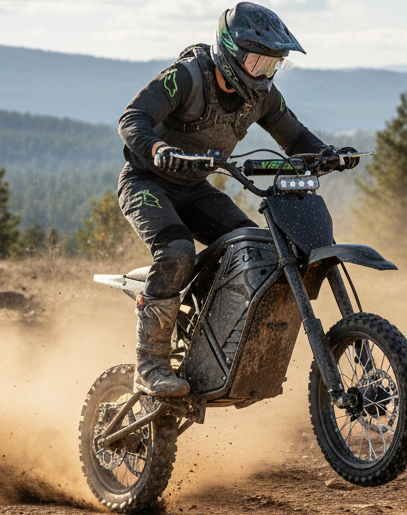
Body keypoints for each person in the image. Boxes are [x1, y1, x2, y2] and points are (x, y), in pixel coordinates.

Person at [118, 1, 359, 397]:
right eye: (256, 62)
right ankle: (151, 366)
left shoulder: (262, 96)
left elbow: (297, 138)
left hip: (195, 189)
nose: (262, 73)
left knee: (256, 253)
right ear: (229, 51)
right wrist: (158, 149)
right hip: (146, 182)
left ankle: (217, 350)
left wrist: (326, 154)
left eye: (272, 64)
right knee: (176, 252)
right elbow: (133, 118)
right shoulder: (187, 77)